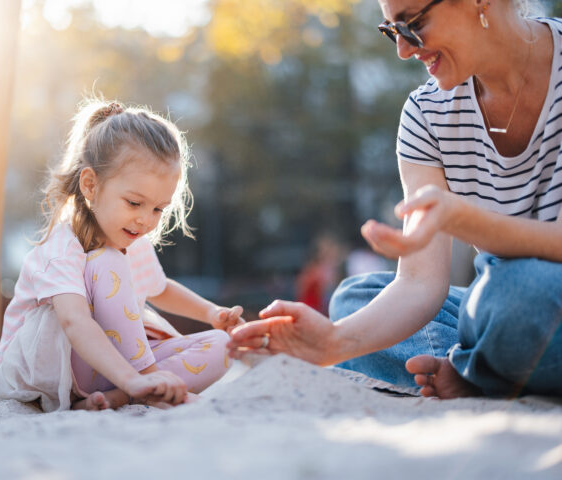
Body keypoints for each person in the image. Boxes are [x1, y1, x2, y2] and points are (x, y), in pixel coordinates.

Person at [229, 0, 562, 399]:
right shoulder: (426, 113)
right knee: (356, 299)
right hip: (498, 305)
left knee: (519, 298)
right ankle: (483, 363)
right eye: (392, 30)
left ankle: (475, 367)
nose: (404, 49)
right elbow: (420, 282)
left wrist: (464, 221)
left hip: (522, 299)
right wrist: (333, 342)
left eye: (413, 23)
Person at [0, 99, 244, 412]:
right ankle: (144, 384)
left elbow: (160, 288)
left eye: (158, 209)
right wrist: (136, 376)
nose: (146, 220)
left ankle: (125, 394)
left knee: (223, 346)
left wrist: (211, 313)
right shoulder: (62, 248)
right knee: (108, 261)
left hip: (110, 367)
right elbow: (74, 321)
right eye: (134, 203)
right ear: (90, 185)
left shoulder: (133, 239)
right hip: (50, 369)